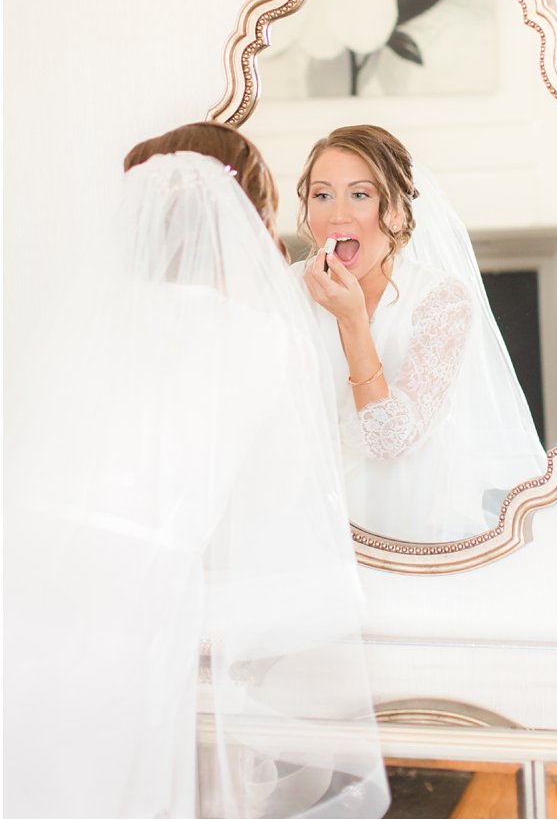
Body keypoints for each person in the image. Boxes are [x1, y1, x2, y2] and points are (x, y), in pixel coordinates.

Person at [4, 123, 387, 817]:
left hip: (23, 603)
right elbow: (276, 512)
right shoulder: (266, 341)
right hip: (135, 627)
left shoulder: (79, 327)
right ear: (252, 219)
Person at [295, 124, 545, 543]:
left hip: (406, 527)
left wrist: (352, 320)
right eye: (322, 195)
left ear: (394, 211)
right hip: (309, 521)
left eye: (360, 194)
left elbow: (388, 438)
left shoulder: (441, 300)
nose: (336, 214)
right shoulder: (286, 292)